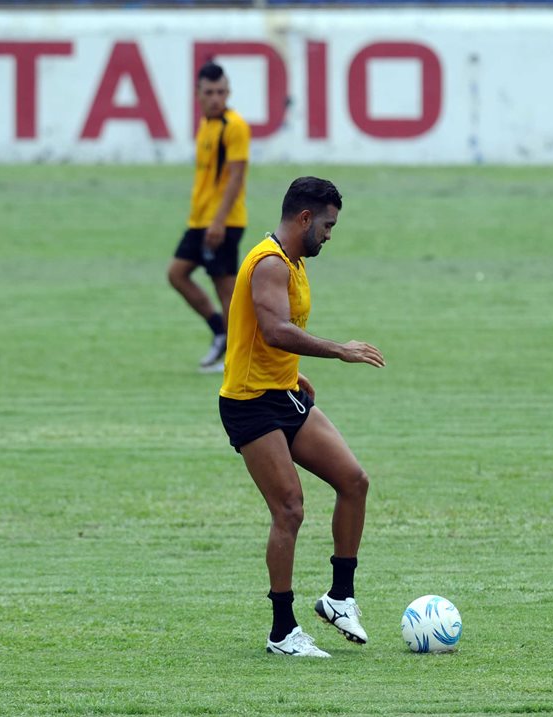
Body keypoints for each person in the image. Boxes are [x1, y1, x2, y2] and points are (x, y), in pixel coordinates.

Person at [218, 177, 385, 658]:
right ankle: (282, 631)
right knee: (289, 508)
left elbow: (266, 338)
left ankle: (339, 597)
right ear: (305, 218)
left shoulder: (294, 261)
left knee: (353, 480)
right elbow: (274, 330)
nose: (330, 235)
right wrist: (339, 350)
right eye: (327, 225)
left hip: (283, 392)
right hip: (250, 403)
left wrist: (293, 372)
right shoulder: (270, 263)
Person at [167, 60, 250, 372]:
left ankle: (234, 357)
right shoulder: (206, 124)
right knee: (176, 274)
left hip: (224, 221)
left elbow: (236, 177)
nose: (216, 98)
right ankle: (220, 331)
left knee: (226, 289)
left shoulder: (235, 126)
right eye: (209, 92)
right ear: (198, 94)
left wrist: (218, 221)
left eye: (221, 92)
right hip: (200, 220)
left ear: (228, 92)